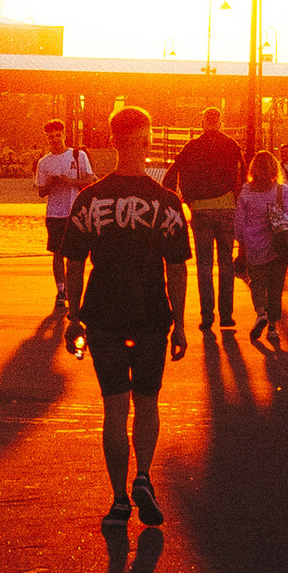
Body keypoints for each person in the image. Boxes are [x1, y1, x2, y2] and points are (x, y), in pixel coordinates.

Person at [57, 104, 189, 533]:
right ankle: (144, 476)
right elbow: (178, 267)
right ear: (146, 141)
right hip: (151, 312)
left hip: (104, 312)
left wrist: (73, 316)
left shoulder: (90, 199)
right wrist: (182, 324)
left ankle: (117, 500)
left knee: (114, 406)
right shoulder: (166, 203)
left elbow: (73, 261)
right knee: (147, 402)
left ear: (113, 141)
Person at [165, 106, 245, 336]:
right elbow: (243, 172)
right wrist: (235, 199)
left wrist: (185, 202)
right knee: (226, 263)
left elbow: (171, 175)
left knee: (204, 265)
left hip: (200, 211)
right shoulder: (231, 145)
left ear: (202, 122)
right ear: (220, 122)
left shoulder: (191, 146)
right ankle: (227, 315)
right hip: (227, 208)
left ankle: (206, 316)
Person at [231, 149, 288, 350]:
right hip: (278, 245)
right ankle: (273, 326)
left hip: (254, 245)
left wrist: (240, 239)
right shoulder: (282, 191)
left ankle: (261, 313)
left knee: (257, 282)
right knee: (276, 285)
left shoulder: (246, 191)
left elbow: (239, 220)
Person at [33, 117, 97, 335]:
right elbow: (41, 191)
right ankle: (61, 290)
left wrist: (70, 182)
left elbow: (91, 179)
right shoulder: (44, 162)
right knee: (58, 252)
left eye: (57, 135)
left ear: (63, 135)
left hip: (75, 210)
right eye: (50, 137)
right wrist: (51, 183)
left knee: (76, 255)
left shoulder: (77, 156)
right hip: (55, 212)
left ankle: (75, 290)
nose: (54, 140)